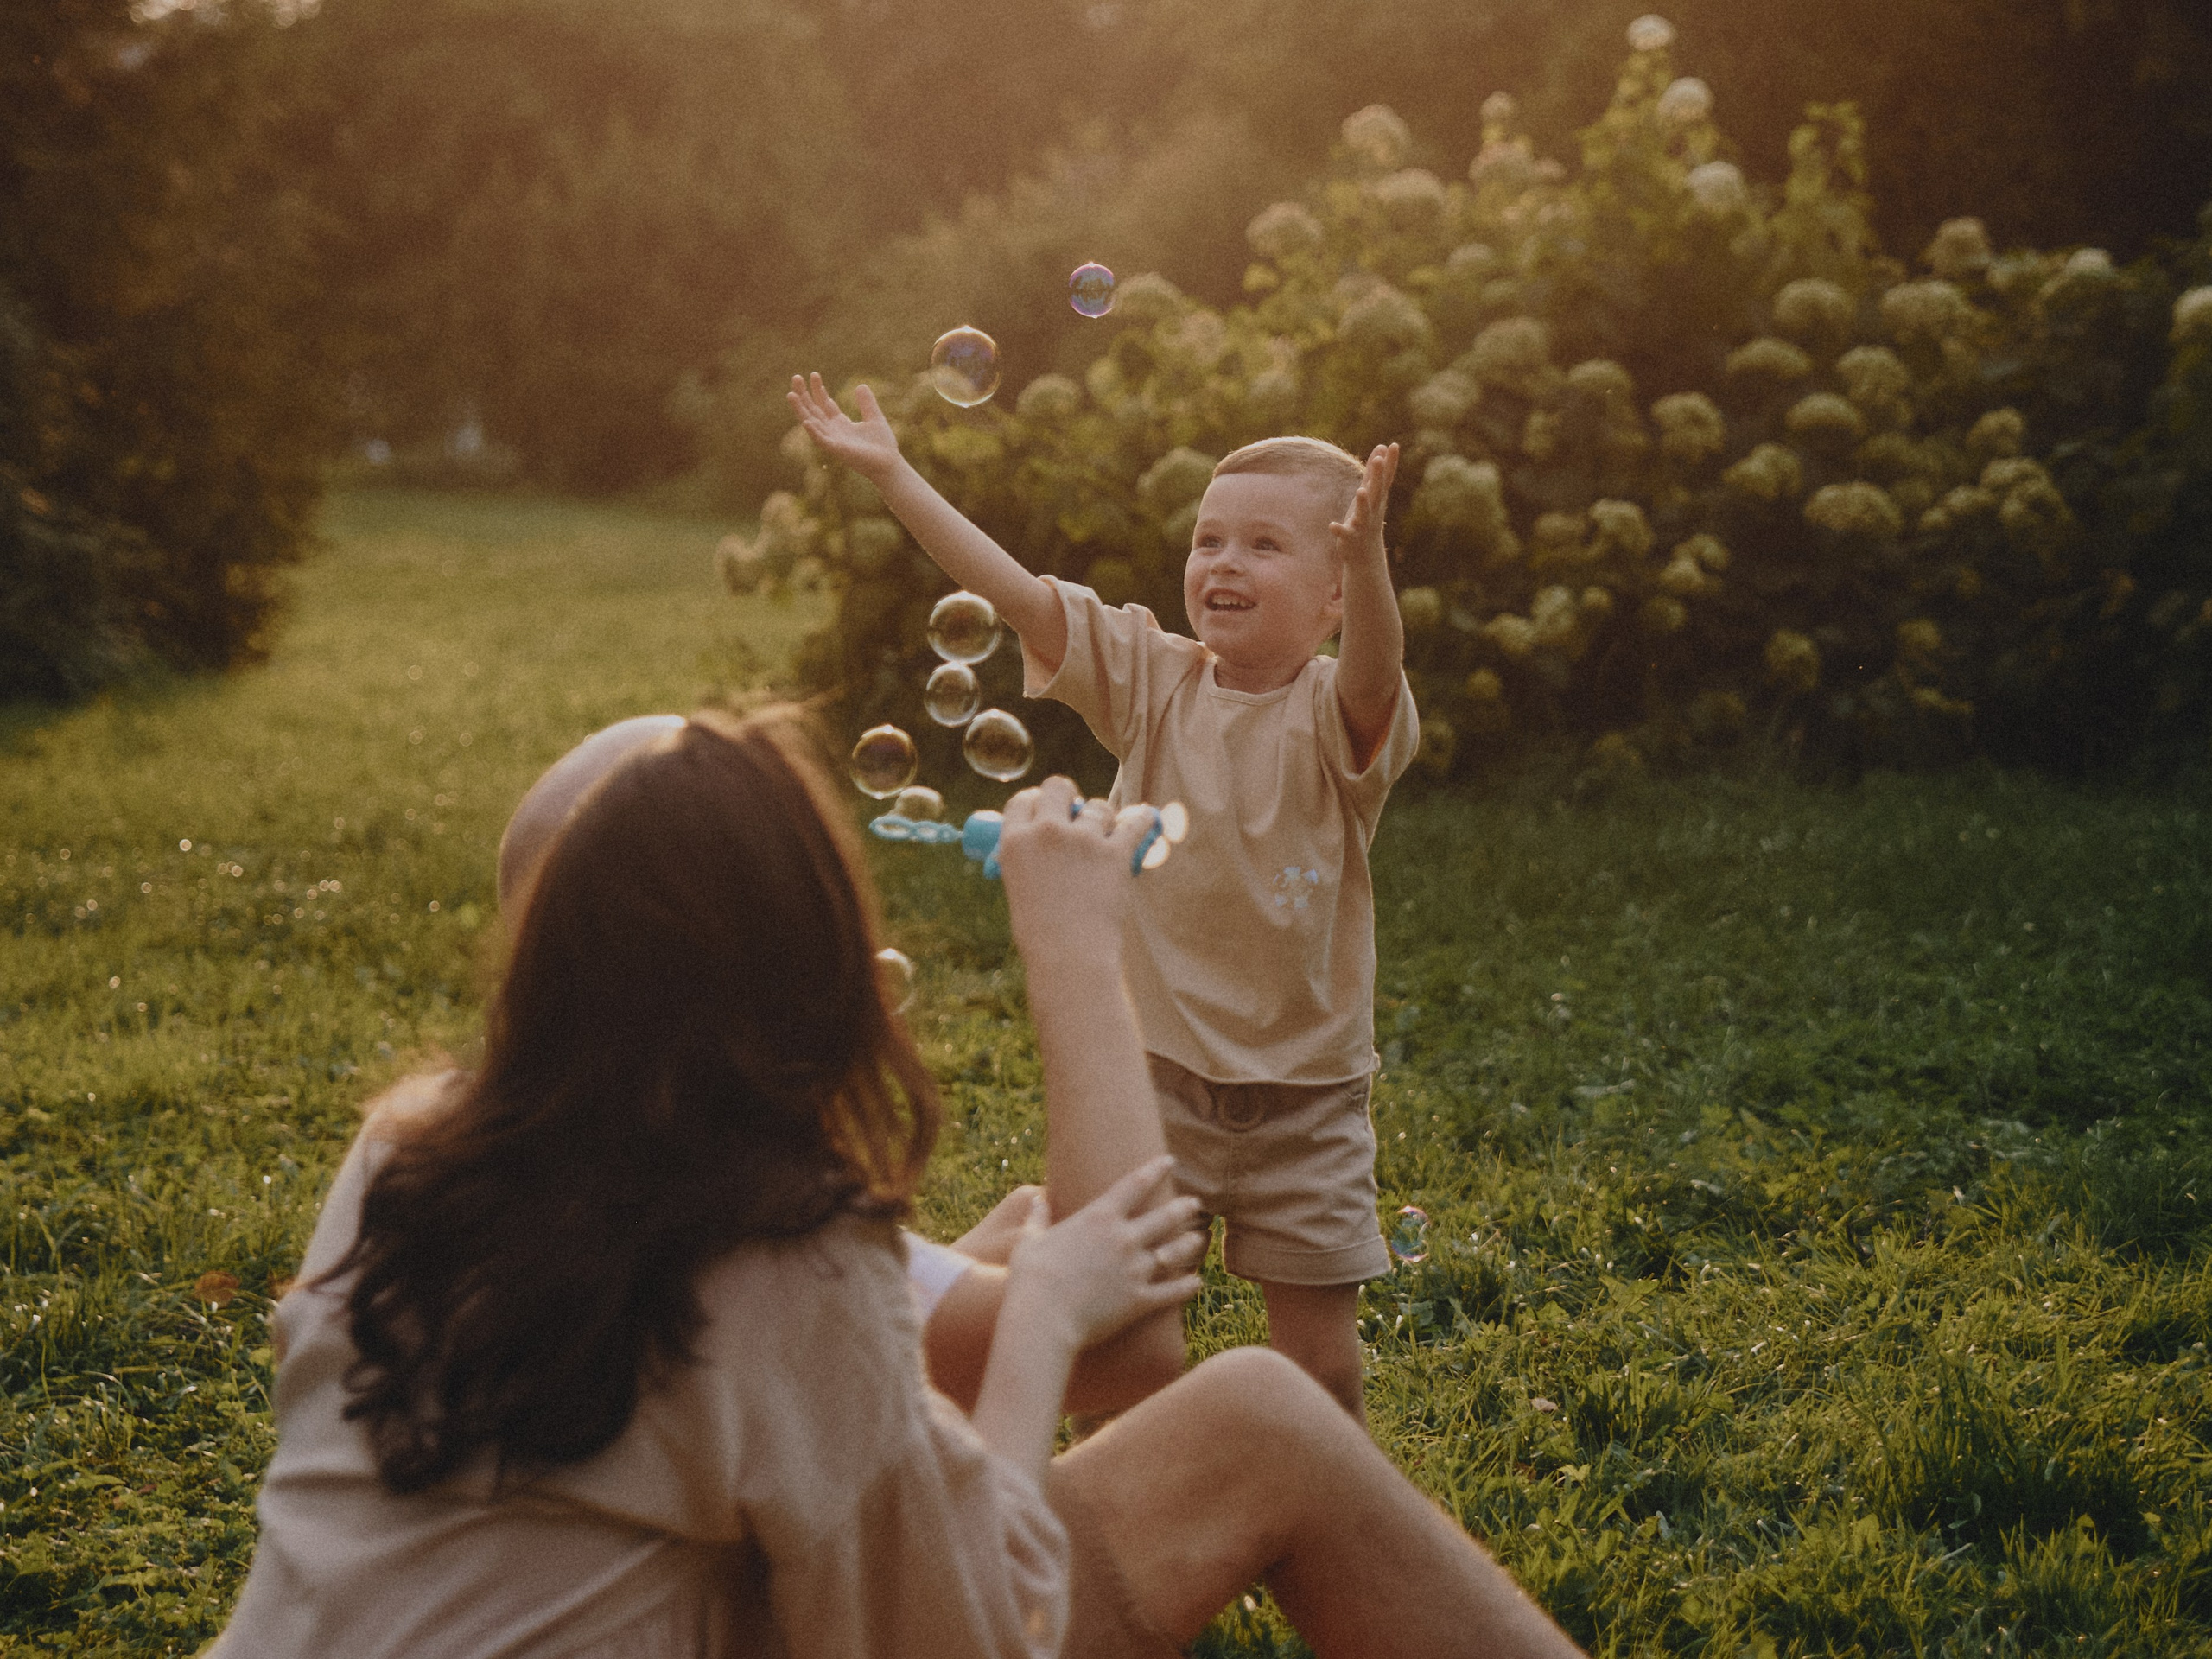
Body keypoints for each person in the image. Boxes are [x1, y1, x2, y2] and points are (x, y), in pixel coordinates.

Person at [208, 709, 1581, 1658]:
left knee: (1247, 1412)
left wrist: (940, 1293)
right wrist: (1074, 949)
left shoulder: (406, 1149)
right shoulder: (789, 1256)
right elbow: (1085, 1410)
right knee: (1260, 1420)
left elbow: (728, 1391)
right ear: (804, 963)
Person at [789, 374, 1417, 1419]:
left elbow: (1374, 670)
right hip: (1151, 1085)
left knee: (1323, 1371)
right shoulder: (1151, 679)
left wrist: (1372, 561)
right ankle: (1139, 1507)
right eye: (1210, 540)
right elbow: (1019, 594)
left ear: (1336, 592)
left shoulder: (1335, 716)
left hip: (1304, 1100)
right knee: (1128, 1354)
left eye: (1266, 545)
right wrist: (894, 474)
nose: (1224, 562)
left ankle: (1313, 1517)